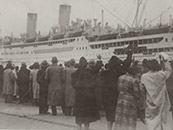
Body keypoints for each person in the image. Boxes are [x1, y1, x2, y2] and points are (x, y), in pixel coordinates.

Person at [99, 51, 132, 130]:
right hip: (118, 95)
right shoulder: (120, 72)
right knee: (119, 115)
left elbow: (102, 85)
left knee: (109, 115)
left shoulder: (104, 73)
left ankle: (109, 128)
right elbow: (127, 64)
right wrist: (129, 54)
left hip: (108, 97)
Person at [141, 57, 173, 130]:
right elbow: (169, 70)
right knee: (163, 120)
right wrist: (165, 61)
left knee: (151, 120)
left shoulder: (144, 76)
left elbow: (142, 90)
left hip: (149, 101)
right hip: (162, 101)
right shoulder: (161, 75)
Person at [71, 57, 100, 130]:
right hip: (88, 97)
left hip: (79, 97)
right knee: (87, 116)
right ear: (86, 64)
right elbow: (94, 83)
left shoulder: (74, 74)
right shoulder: (90, 73)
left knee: (79, 116)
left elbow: (73, 85)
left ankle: (79, 128)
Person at [114, 65, 144, 130]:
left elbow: (118, 88)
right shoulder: (134, 80)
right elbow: (136, 93)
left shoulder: (120, 77)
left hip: (121, 98)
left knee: (120, 117)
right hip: (130, 100)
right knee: (130, 118)